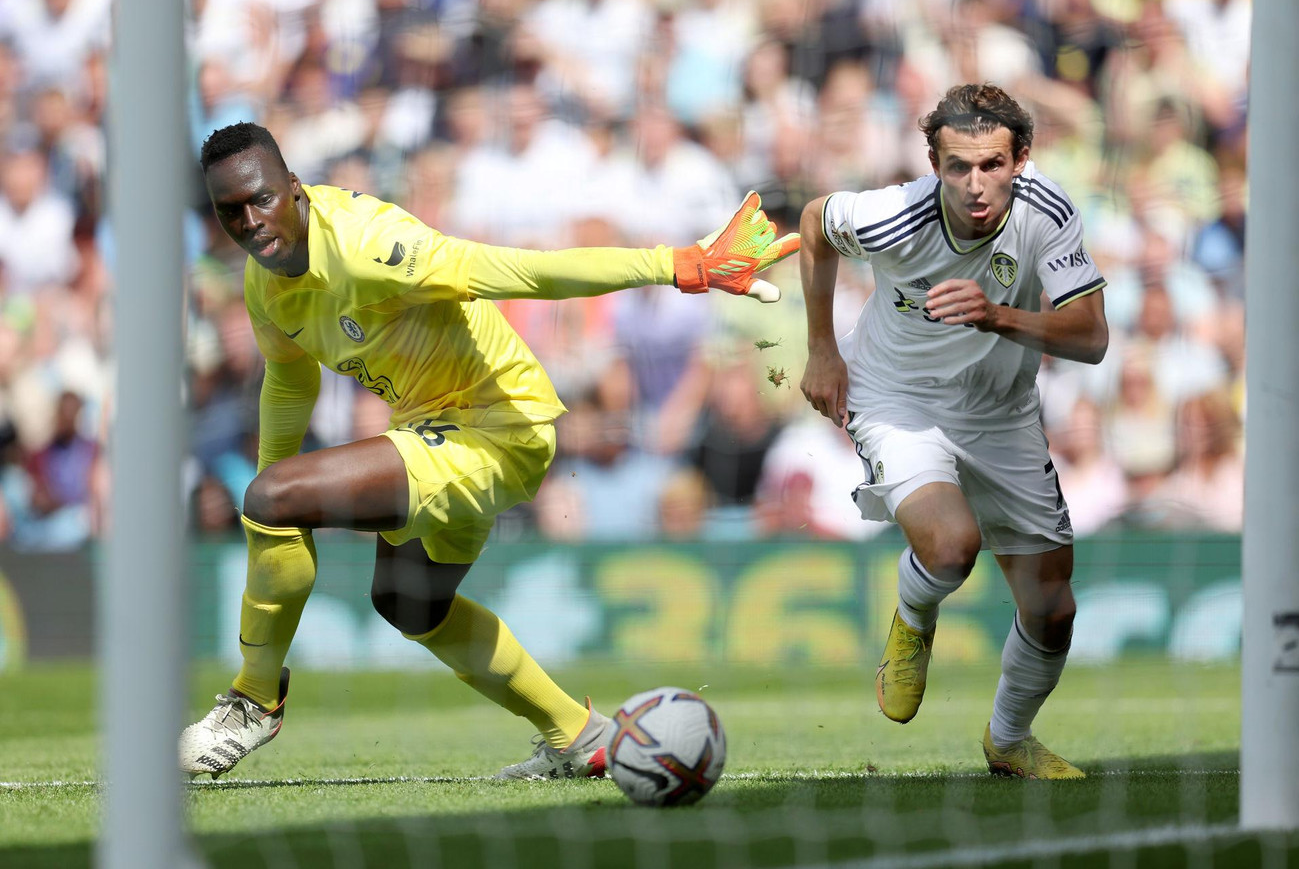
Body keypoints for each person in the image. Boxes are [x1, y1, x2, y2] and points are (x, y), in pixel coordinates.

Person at [178, 121, 797, 780]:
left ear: (294, 190)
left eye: (261, 199)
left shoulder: (370, 245)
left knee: (274, 501)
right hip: (433, 433)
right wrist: (274, 471)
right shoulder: (265, 282)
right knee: (410, 604)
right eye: (230, 211)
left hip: (499, 427)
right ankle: (579, 734)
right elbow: (291, 375)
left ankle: (253, 701)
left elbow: (516, 269)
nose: (249, 221)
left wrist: (676, 264)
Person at [797, 84, 1108, 779]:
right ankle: (913, 616)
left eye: (992, 165)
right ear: (933, 161)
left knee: (1052, 609)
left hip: (1001, 411)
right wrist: (822, 347)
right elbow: (816, 222)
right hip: (897, 399)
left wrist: (999, 315)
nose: (975, 184)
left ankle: (1009, 738)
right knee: (951, 545)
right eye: (957, 166)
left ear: (1021, 158)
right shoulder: (894, 217)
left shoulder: (1048, 214)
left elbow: (1091, 337)